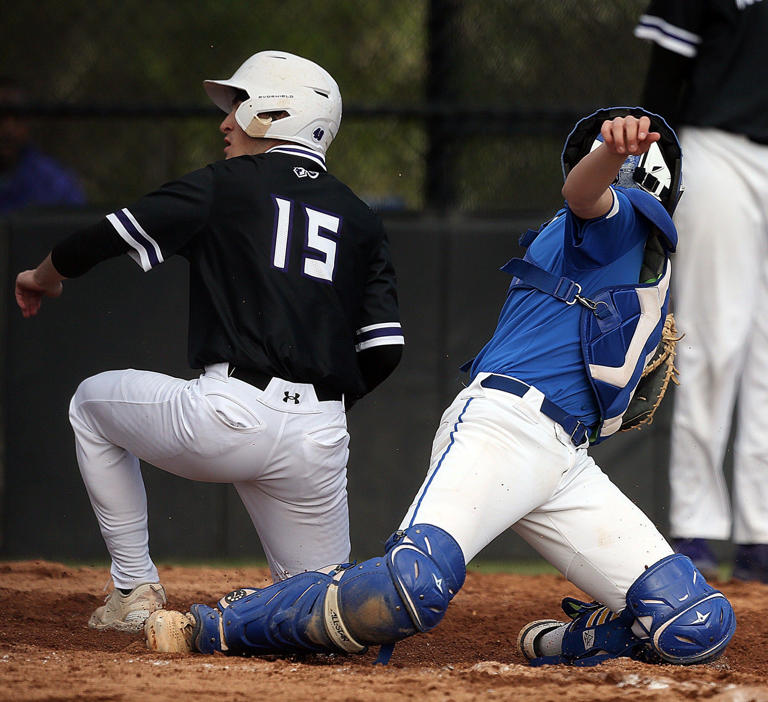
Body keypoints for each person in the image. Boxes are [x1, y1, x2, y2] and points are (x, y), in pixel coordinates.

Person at [143, 108, 736, 667]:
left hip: (565, 457)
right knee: (411, 589)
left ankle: (561, 644)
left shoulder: (635, 258)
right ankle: (216, 625)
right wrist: (611, 150)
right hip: (505, 426)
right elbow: (584, 194)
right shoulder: (609, 221)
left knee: (695, 622)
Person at [14, 50, 404, 633]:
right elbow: (383, 349)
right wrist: (312, 413)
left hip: (225, 417)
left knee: (90, 404)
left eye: (240, 104)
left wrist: (42, 276)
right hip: (318, 441)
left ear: (277, 112)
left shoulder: (227, 185)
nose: (226, 122)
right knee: (321, 613)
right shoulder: (362, 218)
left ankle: (133, 588)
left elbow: (106, 234)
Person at [634, 1, 768, 582]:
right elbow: (666, 71)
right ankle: (697, 525)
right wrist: (654, 172)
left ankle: (761, 533)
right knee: (714, 340)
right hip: (720, 147)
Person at [0, 77, 86, 214]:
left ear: (28, 122)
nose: (8, 129)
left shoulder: (55, 184)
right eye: (1, 117)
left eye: (17, 118)